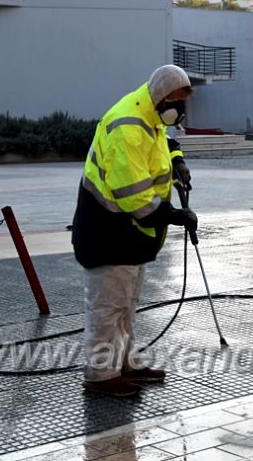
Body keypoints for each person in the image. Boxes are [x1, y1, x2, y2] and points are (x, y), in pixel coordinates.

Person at [71, 65, 197, 397]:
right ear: (163, 96)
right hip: (108, 231)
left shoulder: (149, 114)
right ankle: (101, 375)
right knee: (108, 307)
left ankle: (124, 363)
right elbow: (134, 197)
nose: (180, 111)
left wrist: (178, 160)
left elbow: (160, 142)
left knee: (126, 304)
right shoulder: (127, 126)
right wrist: (173, 215)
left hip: (129, 235)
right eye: (178, 103)